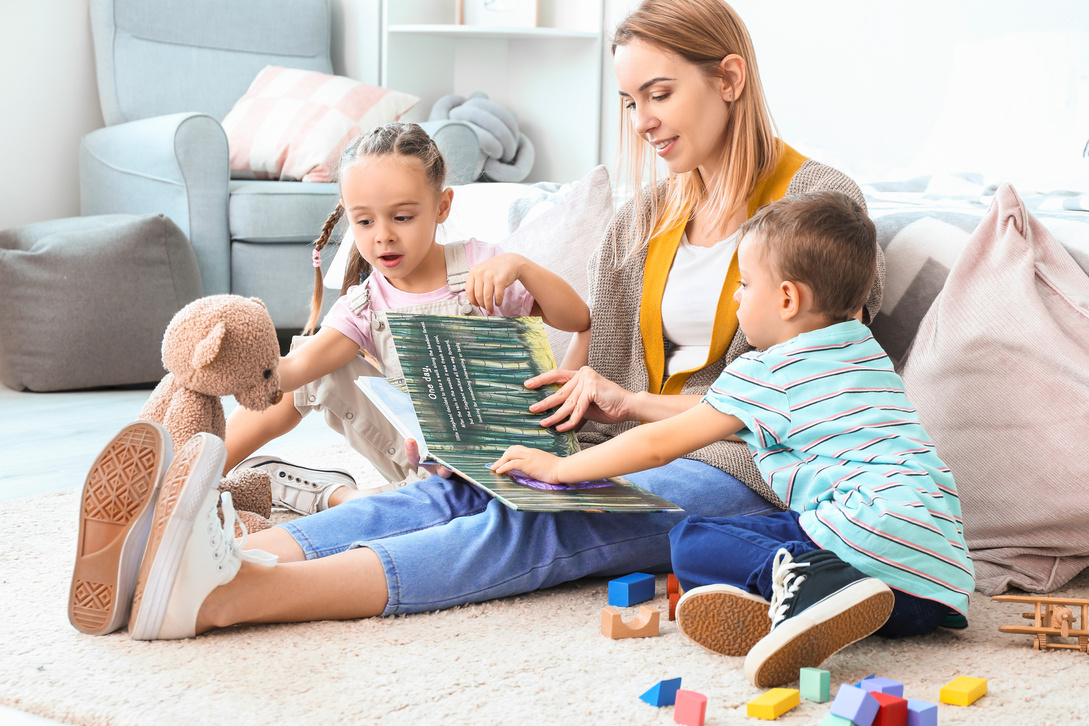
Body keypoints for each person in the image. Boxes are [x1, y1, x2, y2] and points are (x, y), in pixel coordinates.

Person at [69, 0, 887, 641]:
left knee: (534, 524)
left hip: (741, 467)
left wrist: (614, 416)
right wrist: (524, 411)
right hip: (622, 438)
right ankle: (190, 561)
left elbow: (807, 390)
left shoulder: (815, 207)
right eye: (629, 100)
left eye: (660, 93)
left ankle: (234, 595)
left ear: (730, 78)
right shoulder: (643, 216)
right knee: (453, 491)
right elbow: (594, 360)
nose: (641, 119)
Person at [493, 191, 973, 688]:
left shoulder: (767, 371)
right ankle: (812, 601)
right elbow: (715, 414)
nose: (737, 296)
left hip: (864, 544)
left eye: (744, 284)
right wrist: (632, 402)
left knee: (694, 541)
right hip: (931, 589)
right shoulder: (863, 354)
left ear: (787, 299)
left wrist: (558, 469)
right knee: (780, 528)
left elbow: (661, 445)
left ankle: (808, 586)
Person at [220, 121, 591, 514]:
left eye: (402, 217)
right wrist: (240, 370)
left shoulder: (481, 267)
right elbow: (298, 369)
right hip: (421, 455)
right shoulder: (365, 303)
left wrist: (521, 267)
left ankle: (335, 496)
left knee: (427, 512)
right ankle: (200, 474)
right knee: (318, 365)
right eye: (365, 221)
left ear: (441, 206)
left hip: (508, 450)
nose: (383, 236)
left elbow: (577, 319)